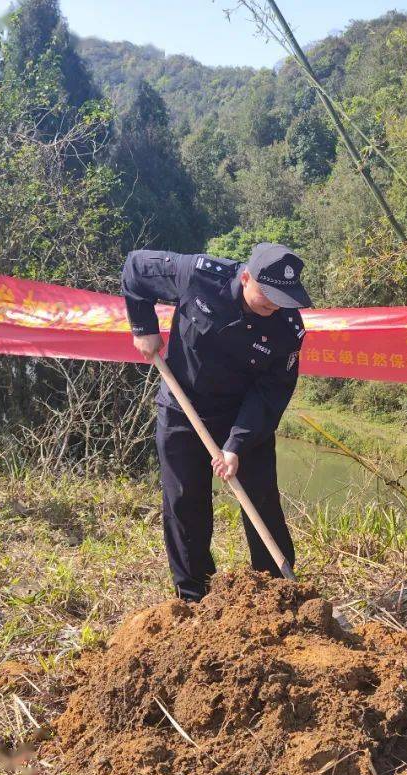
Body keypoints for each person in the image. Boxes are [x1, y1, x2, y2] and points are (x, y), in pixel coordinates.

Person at [122, 243, 310, 601]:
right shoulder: (198, 274)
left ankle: (276, 590)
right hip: (183, 403)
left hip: (244, 415)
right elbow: (135, 269)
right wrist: (142, 326)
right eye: (266, 297)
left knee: (261, 500)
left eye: (282, 300)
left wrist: (236, 444)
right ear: (245, 277)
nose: (274, 306)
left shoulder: (288, 329)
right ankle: (194, 595)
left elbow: (272, 393)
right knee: (184, 500)